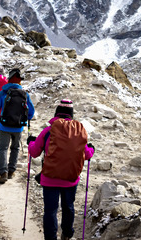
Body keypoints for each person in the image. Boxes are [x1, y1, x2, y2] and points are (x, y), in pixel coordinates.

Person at [28, 99, 94, 240]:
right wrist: (92, 149)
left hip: (50, 178)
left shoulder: (48, 131)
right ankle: (67, 234)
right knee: (68, 206)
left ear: (56, 113)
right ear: (71, 115)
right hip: (71, 178)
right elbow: (87, 154)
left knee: (50, 210)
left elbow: (34, 152)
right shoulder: (79, 131)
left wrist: (31, 142)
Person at [0, 68, 35, 183]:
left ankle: (3, 173)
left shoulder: (4, 92)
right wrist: (26, 119)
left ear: (9, 80)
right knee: (15, 148)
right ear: (19, 81)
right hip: (18, 126)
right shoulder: (25, 94)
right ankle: (11, 171)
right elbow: (31, 111)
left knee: (3, 149)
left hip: (4, 125)